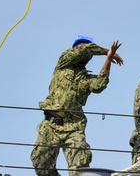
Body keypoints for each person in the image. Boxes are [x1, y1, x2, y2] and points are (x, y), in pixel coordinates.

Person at [31, 36, 123, 176]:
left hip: (74, 127)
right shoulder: (63, 64)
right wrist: (107, 51)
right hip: (51, 125)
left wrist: (108, 59)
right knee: (40, 164)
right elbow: (84, 49)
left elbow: (98, 85)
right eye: (79, 48)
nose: (83, 51)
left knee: (79, 168)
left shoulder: (86, 78)